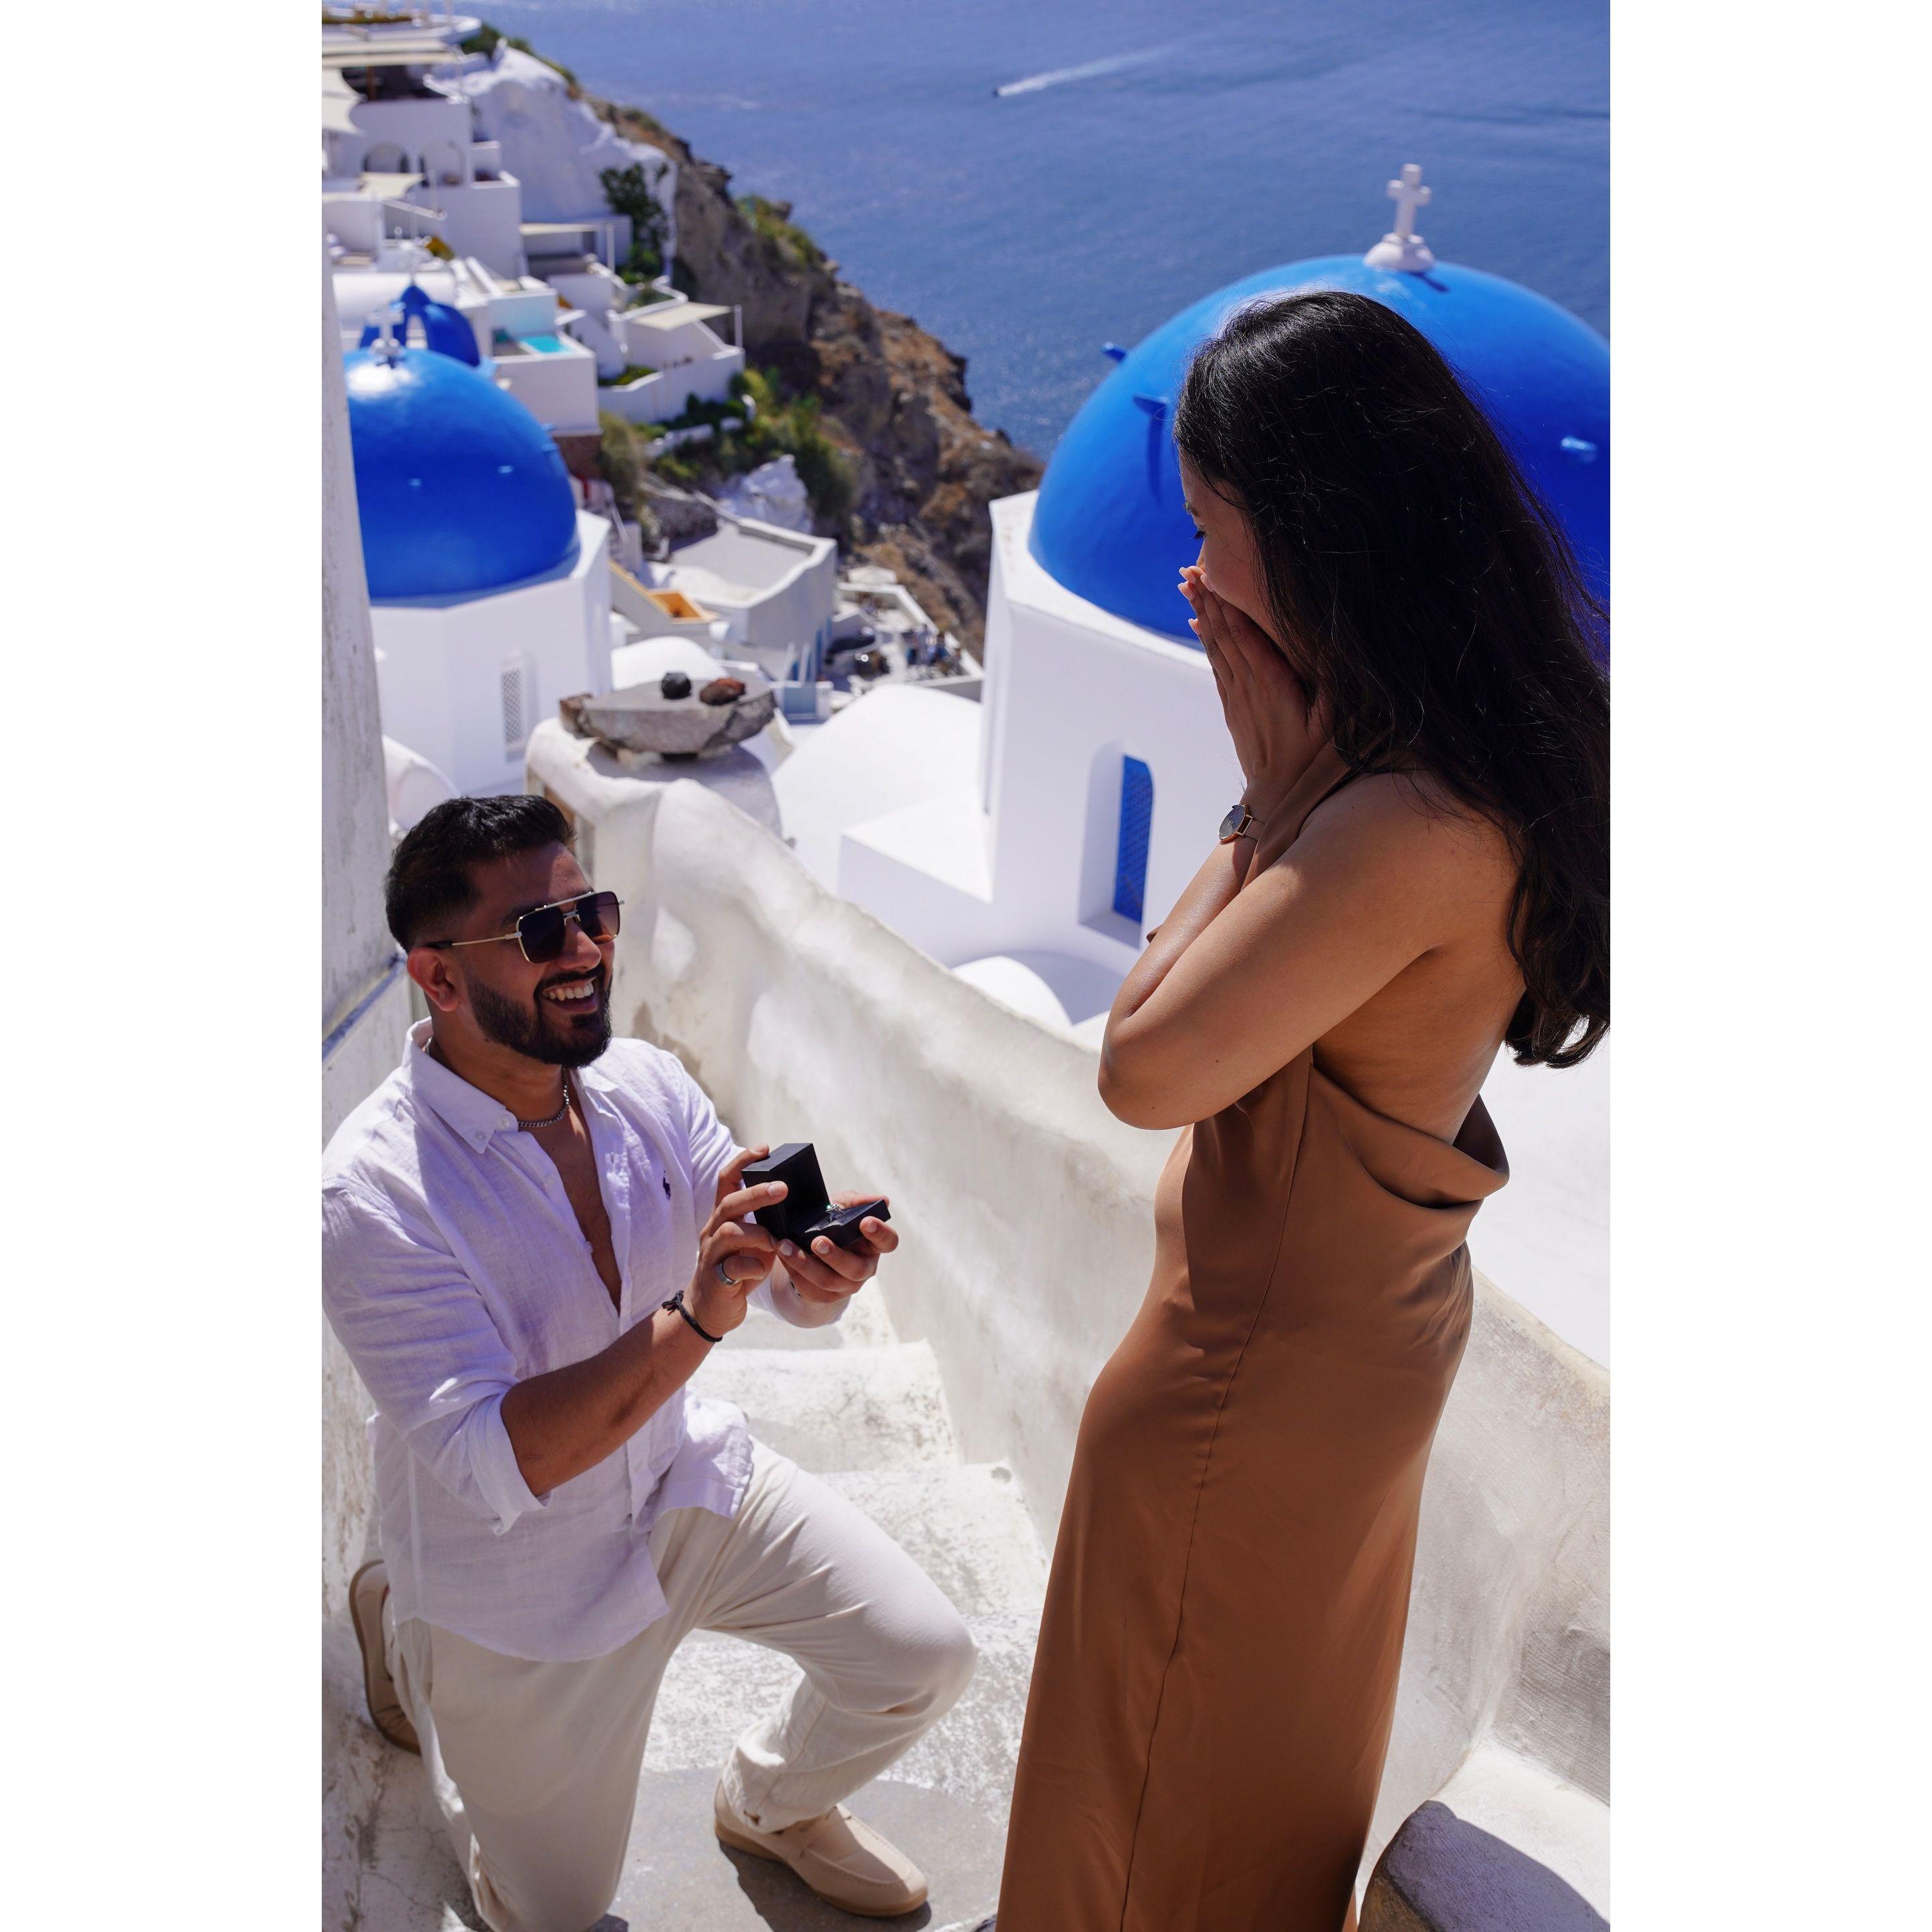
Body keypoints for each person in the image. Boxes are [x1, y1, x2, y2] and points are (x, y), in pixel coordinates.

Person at [993, 290, 1610, 1931]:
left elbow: (1144, 1066)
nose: (1192, 572)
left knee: (1156, 1804)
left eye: (1211, 526)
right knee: (1246, 1775)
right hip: (1328, 1360)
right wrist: (1290, 794)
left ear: (1318, 530)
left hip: (1248, 1392)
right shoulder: (1453, 766)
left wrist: (1264, 800)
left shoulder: (1399, 820)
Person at [323, 795, 975, 1932]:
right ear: (438, 979)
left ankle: (772, 1803)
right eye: (542, 932)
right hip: (517, 1582)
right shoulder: (369, 1193)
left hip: (683, 1484)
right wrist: (703, 1315)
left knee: (924, 1656)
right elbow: (496, 1461)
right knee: (555, 1912)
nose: (585, 950)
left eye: (596, 915)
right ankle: (411, 1644)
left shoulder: (650, 1086)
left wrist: (810, 1275)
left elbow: (756, 1272)